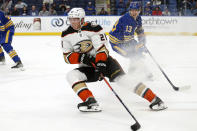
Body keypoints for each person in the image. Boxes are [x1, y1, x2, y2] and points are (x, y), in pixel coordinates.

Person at [61, 8, 167, 112]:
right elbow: (67, 56)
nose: (73, 22)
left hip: (106, 63)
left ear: (82, 19)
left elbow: (102, 48)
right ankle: (90, 101)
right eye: (71, 19)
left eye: (76, 19)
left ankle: (155, 100)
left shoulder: (94, 28)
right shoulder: (66, 34)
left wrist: (101, 63)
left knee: (124, 81)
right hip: (88, 67)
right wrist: (82, 58)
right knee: (71, 76)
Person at [109, 2, 153, 80]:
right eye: (132, 10)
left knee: (137, 54)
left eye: (136, 10)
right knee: (131, 54)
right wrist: (140, 46)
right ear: (129, 10)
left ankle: (132, 72)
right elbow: (128, 39)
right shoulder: (127, 20)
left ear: (139, 10)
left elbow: (140, 31)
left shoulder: (138, 18)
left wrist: (142, 42)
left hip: (125, 40)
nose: (134, 12)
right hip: (116, 43)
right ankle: (143, 72)